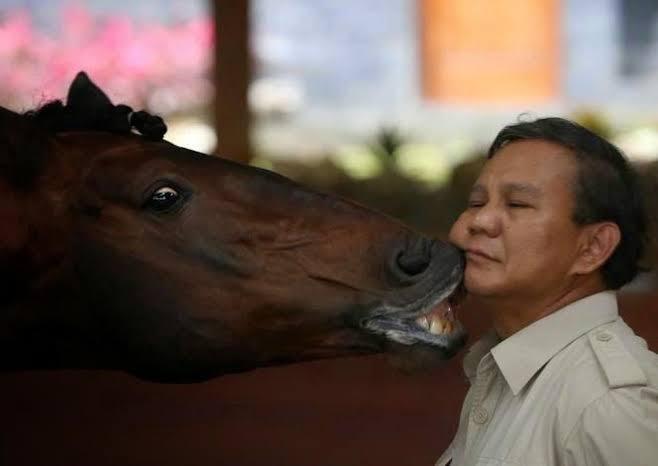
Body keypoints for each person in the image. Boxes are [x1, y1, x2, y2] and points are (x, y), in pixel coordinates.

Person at [436, 117, 658, 466]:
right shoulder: (502, 369)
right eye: (477, 202)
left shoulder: (609, 405)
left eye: (517, 205)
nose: (478, 221)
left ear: (593, 248)